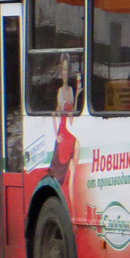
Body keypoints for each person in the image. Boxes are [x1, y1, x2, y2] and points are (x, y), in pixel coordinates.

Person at [47, 54, 81, 199]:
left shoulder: (71, 91)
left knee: (74, 171)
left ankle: (72, 208)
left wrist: (79, 93)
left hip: (69, 131)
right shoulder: (61, 91)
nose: (65, 72)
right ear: (61, 72)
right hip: (63, 134)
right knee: (70, 170)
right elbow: (55, 114)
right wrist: (56, 136)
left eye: (67, 69)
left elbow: (72, 115)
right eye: (64, 69)